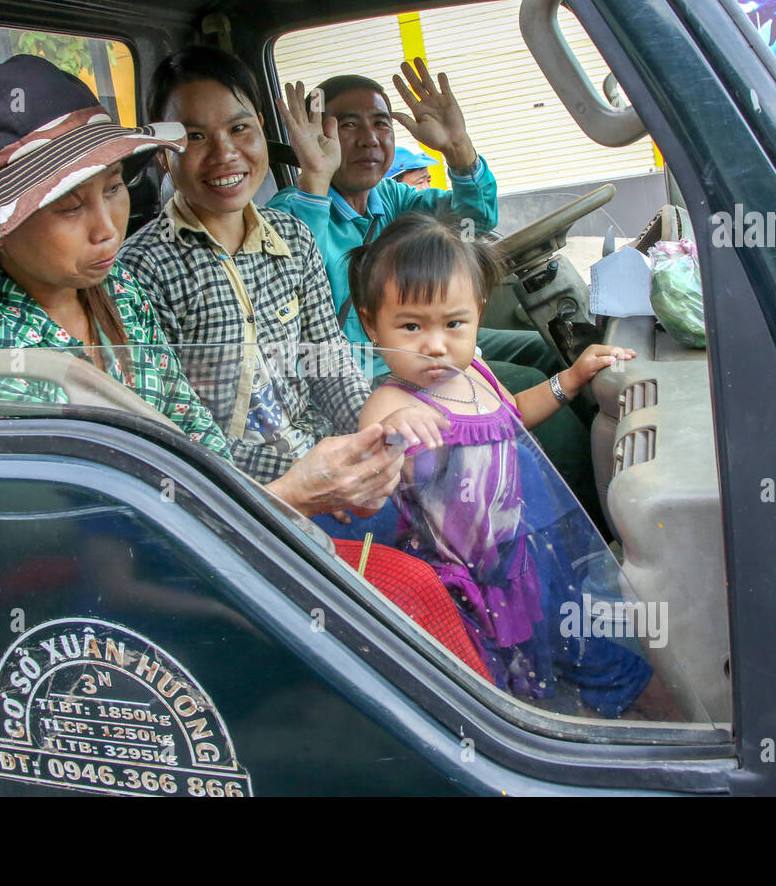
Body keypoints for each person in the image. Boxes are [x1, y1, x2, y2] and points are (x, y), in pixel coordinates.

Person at [0, 54, 405, 519]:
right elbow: (71, 523)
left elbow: (199, 444)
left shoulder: (117, 292)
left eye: (115, 188)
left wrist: (362, 450)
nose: (107, 229)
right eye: (71, 207)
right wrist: (292, 496)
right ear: (0, 224)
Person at [349, 212, 672, 718]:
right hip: (463, 573)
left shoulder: (475, 372)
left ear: (477, 314)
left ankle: (617, 711)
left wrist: (570, 380)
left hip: (526, 547)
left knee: (564, 637)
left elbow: (514, 415)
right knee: (500, 668)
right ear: (372, 323)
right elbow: (377, 468)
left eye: (453, 324)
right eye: (410, 327)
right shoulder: (391, 402)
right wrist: (397, 435)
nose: (434, 345)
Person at [268, 62, 603, 528]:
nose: (369, 138)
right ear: (314, 135)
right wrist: (315, 179)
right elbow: (297, 269)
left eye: (380, 123)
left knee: (540, 351)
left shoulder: (392, 199)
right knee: (538, 399)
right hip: (372, 369)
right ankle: (584, 523)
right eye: (347, 125)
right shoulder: (294, 210)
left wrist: (458, 151)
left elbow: (473, 222)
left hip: (428, 337)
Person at [118, 46, 395, 488]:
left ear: (261, 130)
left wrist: (374, 439)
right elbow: (175, 428)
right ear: (159, 153)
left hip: (325, 455)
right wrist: (303, 476)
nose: (225, 154)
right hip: (239, 492)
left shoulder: (293, 237)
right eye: (195, 137)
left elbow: (330, 361)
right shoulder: (140, 269)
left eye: (239, 128)